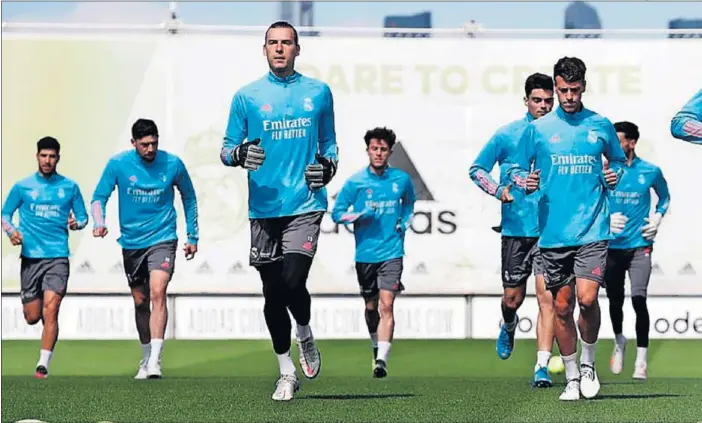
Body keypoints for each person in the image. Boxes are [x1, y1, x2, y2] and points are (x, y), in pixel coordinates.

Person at [219, 21, 338, 401]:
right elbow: (225, 149)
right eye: (273, 43)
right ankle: (286, 371)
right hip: (263, 208)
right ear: (264, 49)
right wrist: (239, 155)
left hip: (305, 203)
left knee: (291, 281)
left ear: (298, 49)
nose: (280, 49)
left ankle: (304, 331)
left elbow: (330, 145)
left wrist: (327, 168)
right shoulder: (247, 97)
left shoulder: (318, 93)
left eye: (287, 43)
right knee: (272, 293)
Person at [507, 57, 627, 401]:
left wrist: (614, 174)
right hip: (553, 233)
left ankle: (588, 365)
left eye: (574, 90)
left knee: (587, 299)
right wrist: (522, 180)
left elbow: (618, 161)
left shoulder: (600, 124)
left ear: (584, 87)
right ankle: (572, 377)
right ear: (556, 87)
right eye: (562, 90)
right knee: (562, 307)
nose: (568, 96)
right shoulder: (539, 129)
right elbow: (516, 166)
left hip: (592, 229)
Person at [91, 118, 199, 380]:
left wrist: (192, 235)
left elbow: (189, 197)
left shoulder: (173, 164)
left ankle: (155, 362)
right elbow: (98, 197)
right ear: (133, 143)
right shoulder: (118, 164)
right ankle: (146, 354)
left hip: (163, 238)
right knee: (141, 302)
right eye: (144, 145)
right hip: (131, 243)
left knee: (158, 291)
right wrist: (99, 222)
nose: (150, 149)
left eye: (154, 143)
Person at [468, 73, 557, 388]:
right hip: (516, 230)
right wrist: (497, 190)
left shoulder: (564, 134)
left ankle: (541, 367)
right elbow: (476, 169)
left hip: (553, 231)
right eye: (537, 100)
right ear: (526, 101)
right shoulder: (507, 135)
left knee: (548, 300)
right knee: (513, 298)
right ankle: (508, 324)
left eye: (549, 100)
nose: (543, 106)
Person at [331, 127, 415, 379]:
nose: (378, 153)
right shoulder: (356, 182)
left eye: (383, 149)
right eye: (374, 149)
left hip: (392, 251)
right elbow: (337, 213)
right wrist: (357, 215)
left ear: (390, 152)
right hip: (365, 254)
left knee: (387, 304)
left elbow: (409, 203)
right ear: (368, 150)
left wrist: (405, 221)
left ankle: (382, 360)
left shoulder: (401, 179)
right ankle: (375, 343)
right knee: (371, 308)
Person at [1, 136, 89, 378]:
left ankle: (43, 365)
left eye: (52, 156)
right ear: (37, 156)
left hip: (57, 257)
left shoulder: (69, 187)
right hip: (31, 258)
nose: (48, 160)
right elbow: (5, 214)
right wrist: (11, 232)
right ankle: (36, 316)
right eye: (44, 156)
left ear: (58, 158)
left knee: (52, 310)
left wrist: (76, 222)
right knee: (32, 316)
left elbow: (83, 217)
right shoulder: (23, 186)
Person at [605, 121, 670, 381]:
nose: (613, 146)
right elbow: (591, 199)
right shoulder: (607, 171)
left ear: (631, 142)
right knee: (615, 300)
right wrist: (605, 220)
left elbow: (664, 197)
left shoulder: (650, 171)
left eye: (618, 140)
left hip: (639, 246)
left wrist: (657, 218)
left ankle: (641, 361)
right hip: (611, 246)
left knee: (639, 299)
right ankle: (619, 340)